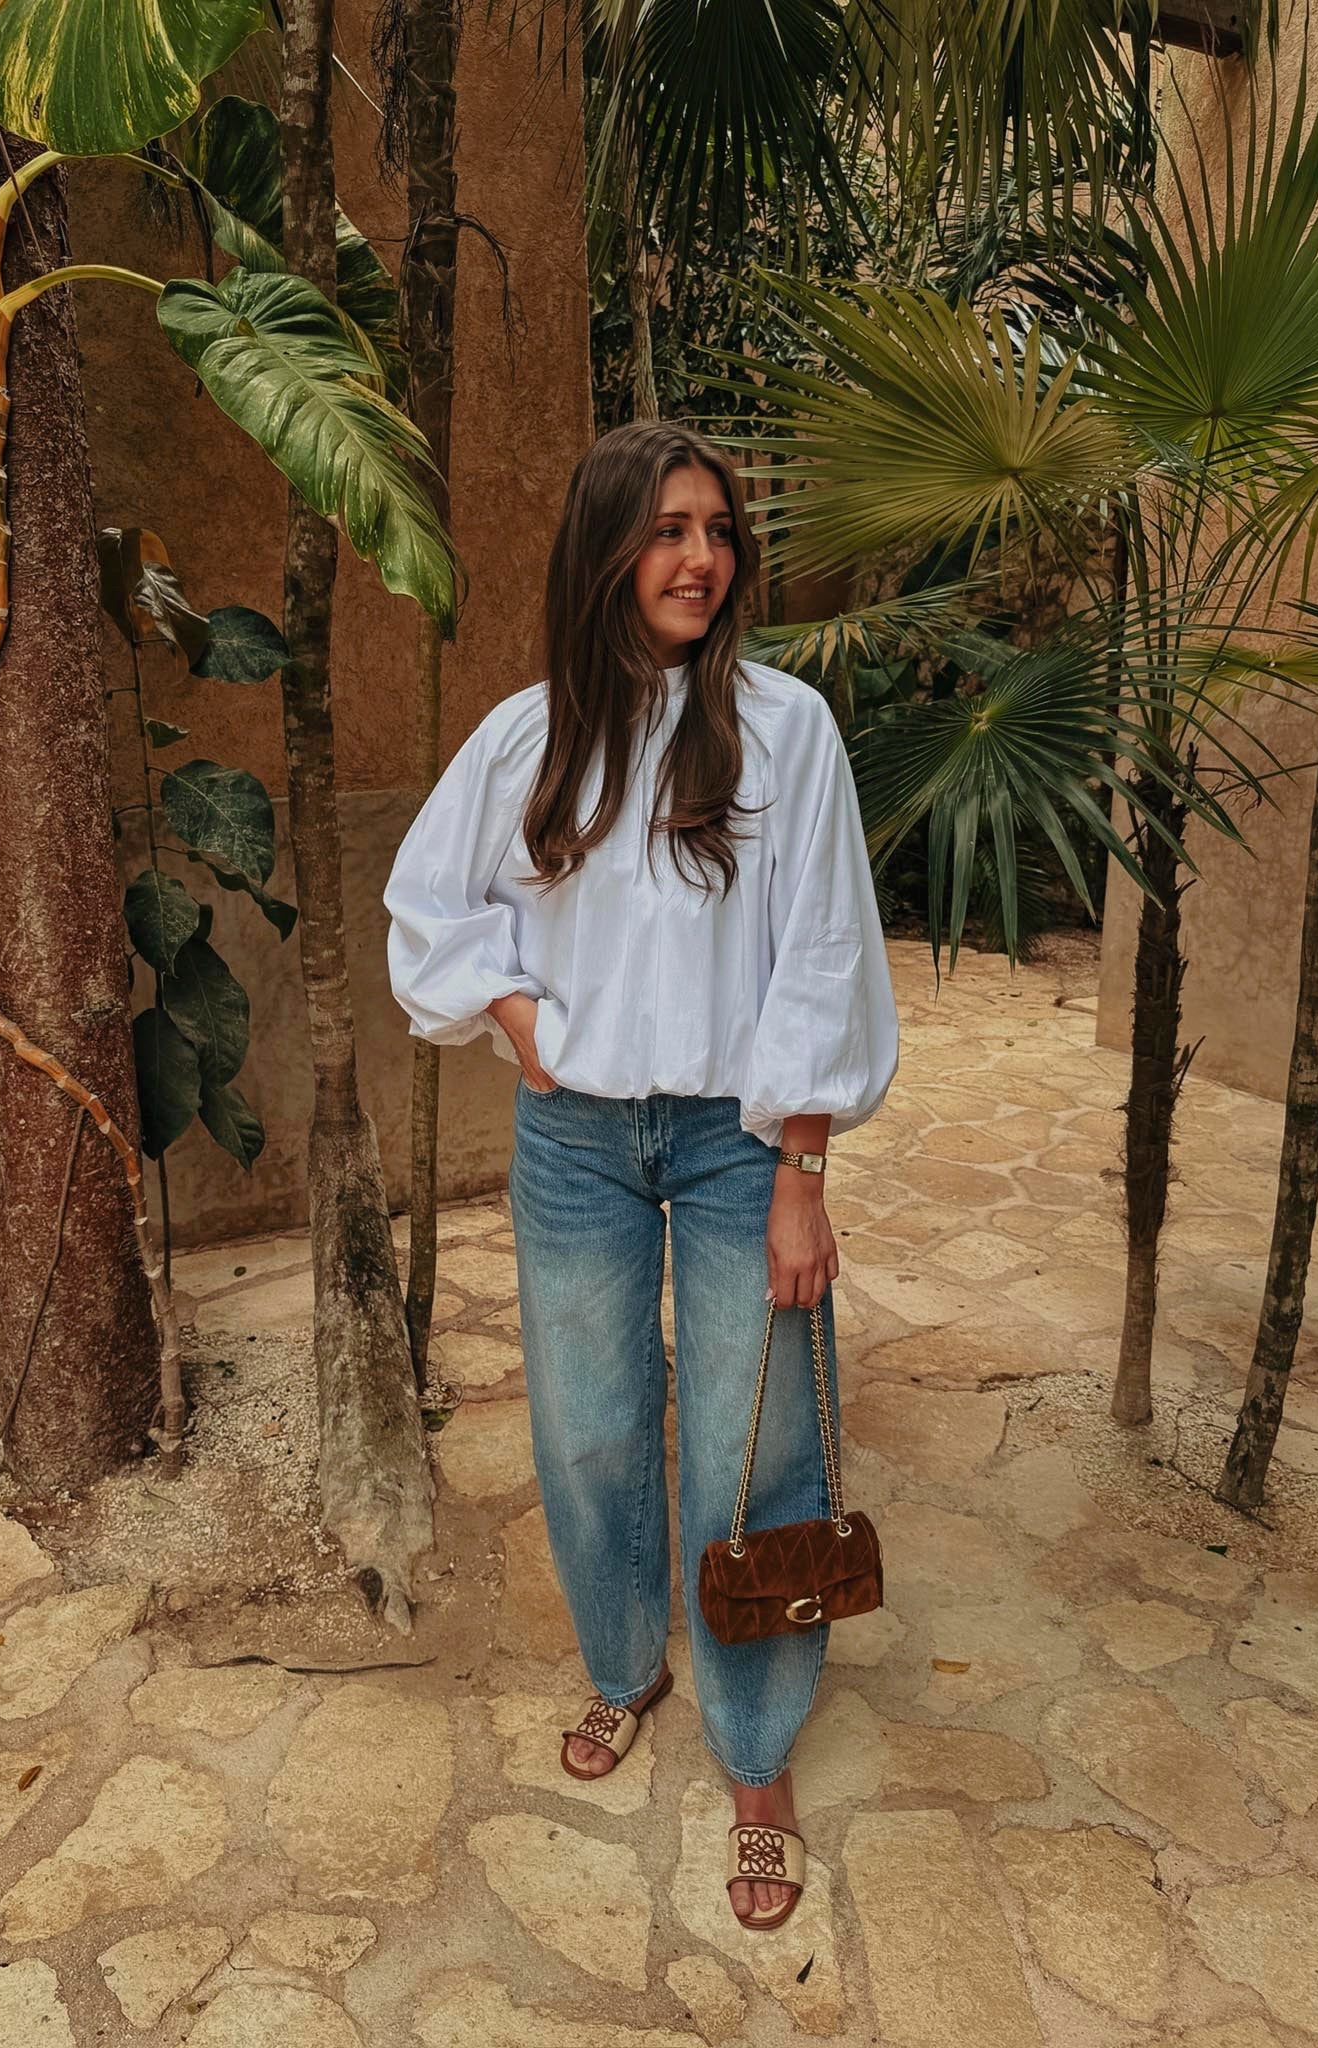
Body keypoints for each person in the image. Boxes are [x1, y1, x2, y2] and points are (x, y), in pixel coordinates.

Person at [384, 419, 898, 1931]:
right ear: (607, 549)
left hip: (743, 1143)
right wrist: (516, 1016)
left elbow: (823, 950)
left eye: (718, 531)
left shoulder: (788, 731)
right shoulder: (530, 736)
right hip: (577, 1145)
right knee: (594, 1429)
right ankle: (625, 1665)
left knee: (762, 1437)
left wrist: (803, 1166)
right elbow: (429, 902)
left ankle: (756, 1750)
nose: (699, 558)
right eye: (669, 529)